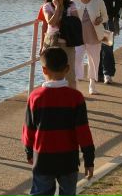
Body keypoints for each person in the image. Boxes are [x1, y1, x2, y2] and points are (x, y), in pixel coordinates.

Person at [23, 47, 95, 196]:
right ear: (67, 69)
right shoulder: (76, 97)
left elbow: (29, 129)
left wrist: (29, 151)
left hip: (43, 158)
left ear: (44, 70)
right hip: (68, 160)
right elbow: (83, 132)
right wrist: (89, 159)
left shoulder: (35, 97)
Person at [71, 0, 109, 96]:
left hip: (94, 35)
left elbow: (106, 16)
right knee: (77, 59)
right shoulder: (74, 0)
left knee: (94, 60)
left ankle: (92, 85)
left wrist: (100, 19)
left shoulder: (98, 0)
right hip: (78, 36)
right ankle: (76, 84)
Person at [41, 0, 79, 89]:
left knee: (70, 74)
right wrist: (57, 8)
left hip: (67, 43)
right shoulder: (47, 6)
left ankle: (71, 100)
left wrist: (60, 19)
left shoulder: (71, 6)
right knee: (50, 73)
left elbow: (76, 22)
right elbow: (51, 22)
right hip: (51, 43)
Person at [92, 0, 122, 84]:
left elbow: (119, 0)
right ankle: (98, 73)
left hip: (106, 21)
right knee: (95, 48)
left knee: (107, 47)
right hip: (92, 22)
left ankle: (108, 73)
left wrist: (114, 14)